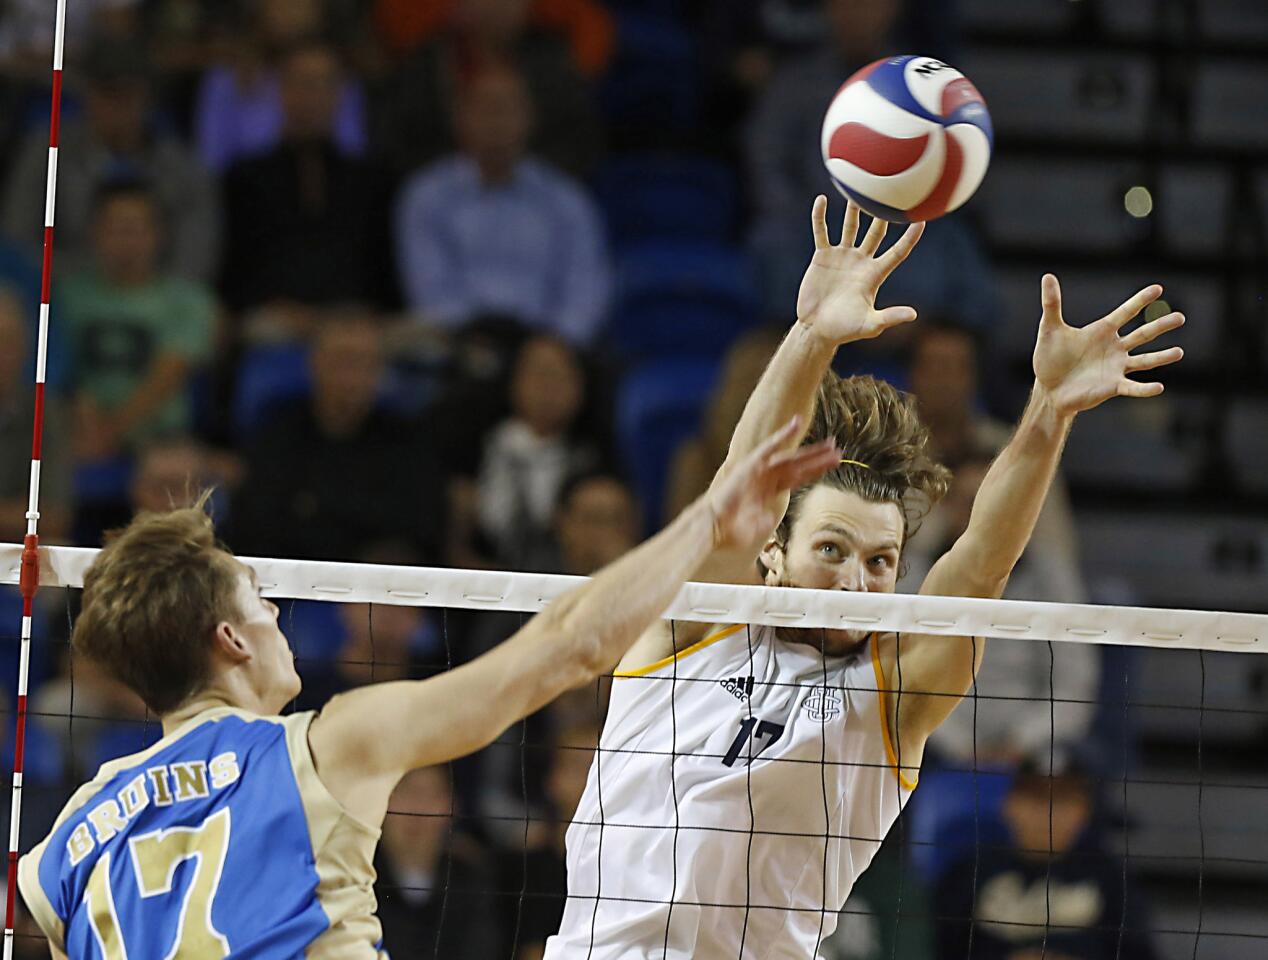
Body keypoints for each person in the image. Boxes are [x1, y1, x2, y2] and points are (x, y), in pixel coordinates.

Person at [544, 196, 1185, 957]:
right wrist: (812, 334)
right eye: (833, 550)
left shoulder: (889, 699)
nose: (856, 580)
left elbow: (979, 568)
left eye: (881, 562)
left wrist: (1048, 413)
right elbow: (737, 487)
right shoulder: (688, 628)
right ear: (772, 554)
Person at [17, 406, 840, 956]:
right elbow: (564, 647)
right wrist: (707, 524)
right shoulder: (321, 750)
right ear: (230, 638)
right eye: (258, 600)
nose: (276, 615)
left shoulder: (64, 843)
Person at [394, 64, 610, 346]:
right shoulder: (426, 196)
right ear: (461, 117)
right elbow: (430, 293)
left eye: (507, 109)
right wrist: (477, 341)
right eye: (486, 109)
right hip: (459, 348)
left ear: (530, 117)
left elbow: (585, 291)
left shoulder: (566, 200)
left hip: (546, 351)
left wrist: (553, 345)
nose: (496, 121)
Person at [228, 311, 445, 562]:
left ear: (380, 372)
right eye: (343, 360)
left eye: (365, 363)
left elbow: (420, 529)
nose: (352, 377)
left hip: (375, 588)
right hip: (292, 585)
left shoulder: (410, 440)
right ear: (315, 364)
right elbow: (257, 525)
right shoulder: (277, 434)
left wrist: (315, 508)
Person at [2, 35, 219, 283]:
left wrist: (146, 295)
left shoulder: (183, 167)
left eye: (127, 95)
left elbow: (195, 256)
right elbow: (18, 240)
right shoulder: (46, 153)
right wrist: (88, 287)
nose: (116, 108)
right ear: (87, 95)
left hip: (157, 306)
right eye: (106, 94)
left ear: (147, 99)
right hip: (63, 297)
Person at [219, 39, 396, 314]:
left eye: (324, 84)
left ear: (340, 94)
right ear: (280, 91)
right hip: (271, 321)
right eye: (301, 83)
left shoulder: (374, 179)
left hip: (357, 323)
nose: (312, 96)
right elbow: (236, 268)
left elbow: (383, 272)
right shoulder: (244, 177)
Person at [934, 753, 1159, 960]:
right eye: (1036, 799)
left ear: (1084, 810)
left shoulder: (1112, 878)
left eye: (1061, 801)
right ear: (1009, 805)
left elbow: (1139, 952)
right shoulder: (970, 872)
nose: (1048, 813)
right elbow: (941, 948)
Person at [61, 179, 216, 460]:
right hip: (76, 434)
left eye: (136, 229)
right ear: (94, 233)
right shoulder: (67, 297)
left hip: (161, 440)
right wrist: (81, 412)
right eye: (116, 229)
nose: (126, 241)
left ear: (160, 234)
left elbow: (168, 375)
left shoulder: (189, 301)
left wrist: (111, 432)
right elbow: (59, 369)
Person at [475, 335, 608, 569]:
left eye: (559, 376)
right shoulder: (475, 445)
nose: (548, 388)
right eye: (539, 374)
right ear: (514, 381)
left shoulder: (594, 458)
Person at [374, 765, 497, 958]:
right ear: (382, 801)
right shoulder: (357, 882)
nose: (417, 809)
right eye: (406, 791)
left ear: (452, 806)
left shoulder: (470, 882)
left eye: (431, 794)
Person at [0, 287, 70, 543]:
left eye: (6, 343)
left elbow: (55, 516)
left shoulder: (45, 413)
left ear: (24, 350)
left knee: (55, 557)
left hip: (17, 554)